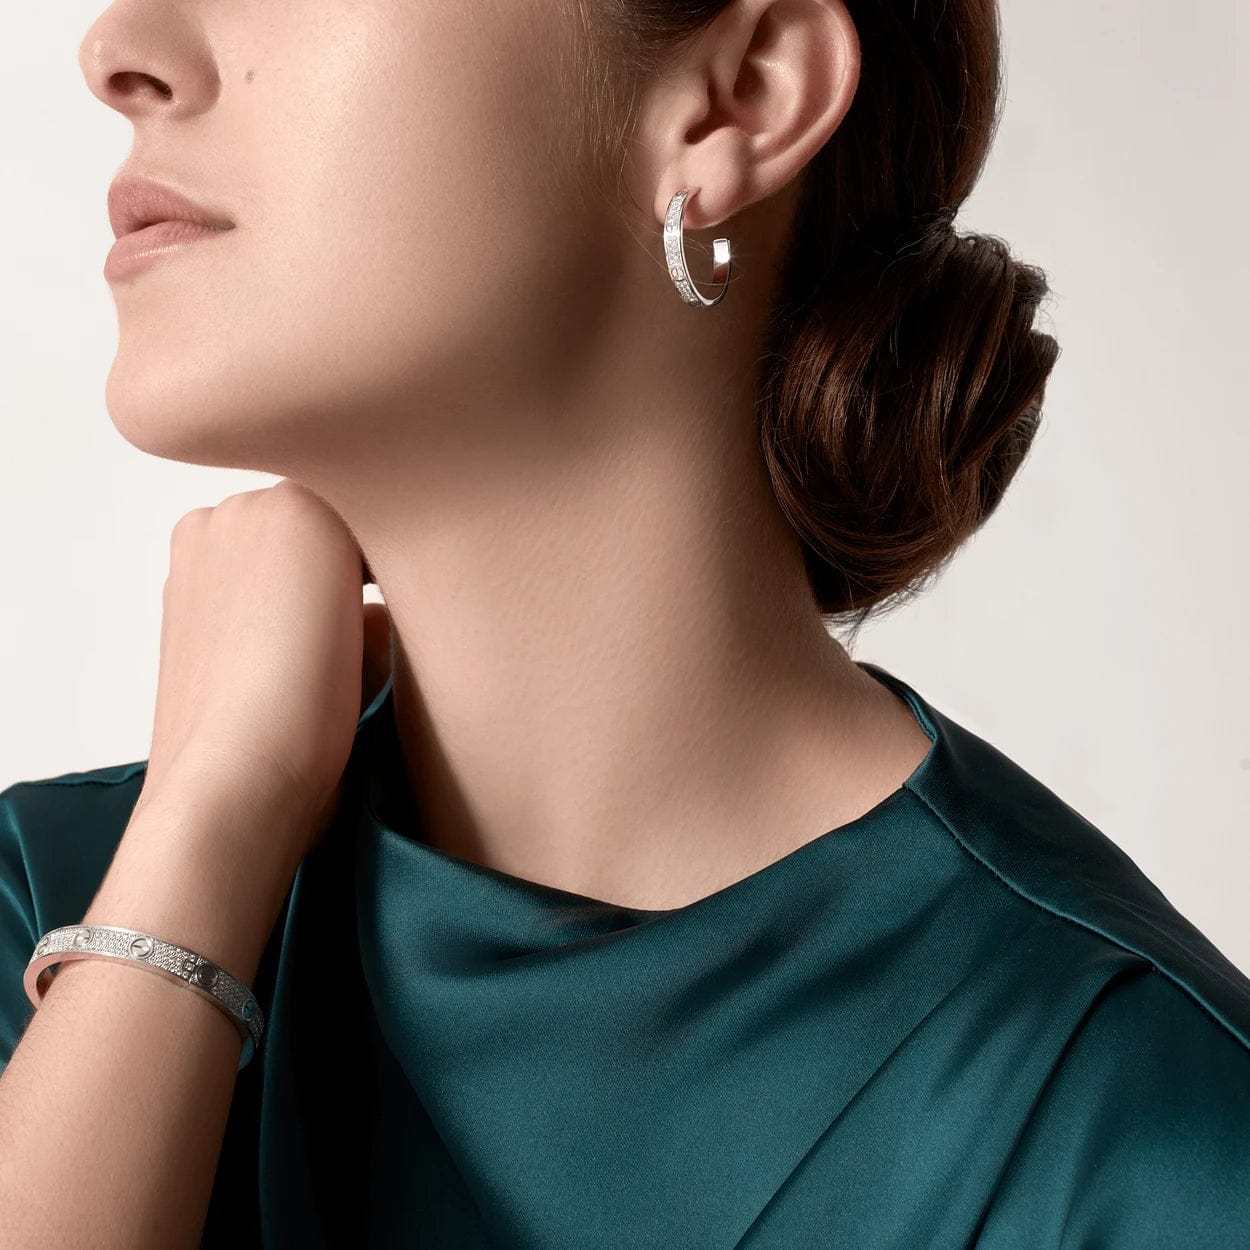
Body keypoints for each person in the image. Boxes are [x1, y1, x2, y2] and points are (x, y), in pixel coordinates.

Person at [1, 0, 1247, 1246]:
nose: (118, 50)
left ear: (740, 96)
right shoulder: (60, 907)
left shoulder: (1133, 1136)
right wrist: (200, 832)